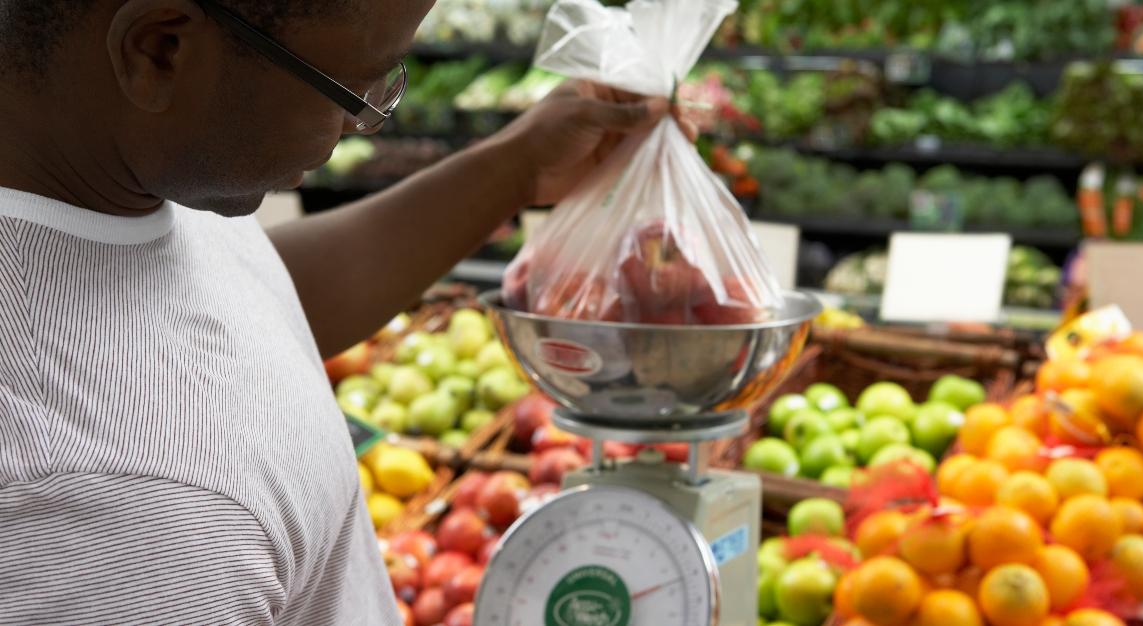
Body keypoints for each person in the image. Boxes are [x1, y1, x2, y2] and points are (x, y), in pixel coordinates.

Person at [0, 0, 689, 623]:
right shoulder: (124, 531)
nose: (360, 121)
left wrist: (520, 166)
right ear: (159, 49)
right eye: (355, 86)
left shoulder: (107, 181)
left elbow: (241, 304)